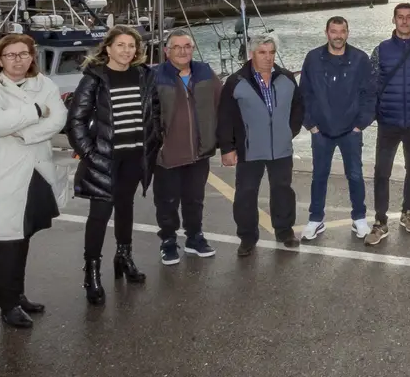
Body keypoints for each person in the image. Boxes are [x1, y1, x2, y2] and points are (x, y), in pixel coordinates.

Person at [0, 33, 67, 329]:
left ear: (32, 57)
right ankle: (7, 305)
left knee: (23, 237)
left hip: (33, 172)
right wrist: (35, 111)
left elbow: (58, 118)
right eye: (11, 55)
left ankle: (18, 295)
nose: (18, 60)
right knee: (7, 241)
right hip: (1, 175)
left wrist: (23, 131)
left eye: (24, 54)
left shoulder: (44, 84)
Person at [65, 25, 162, 307]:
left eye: (131, 46)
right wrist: (90, 155)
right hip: (104, 158)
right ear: (108, 48)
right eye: (120, 45)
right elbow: (76, 122)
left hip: (135, 155)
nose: (126, 51)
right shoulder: (94, 78)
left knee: (126, 207)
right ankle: (92, 272)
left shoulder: (145, 75)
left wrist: (155, 139)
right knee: (99, 214)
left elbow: (154, 112)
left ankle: (124, 256)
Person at [218, 35, 304, 254]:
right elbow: (225, 117)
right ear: (251, 54)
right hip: (250, 149)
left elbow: (298, 109)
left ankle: (284, 231)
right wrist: (227, 148)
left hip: (281, 149)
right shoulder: (236, 81)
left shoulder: (286, 78)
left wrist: (288, 132)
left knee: (282, 190)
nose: (268, 57)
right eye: (262, 52)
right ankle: (247, 237)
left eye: (271, 52)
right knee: (246, 193)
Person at [300, 16, 376, 241]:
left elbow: (370, 95)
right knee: (319, 175)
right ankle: (315, 219)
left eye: (342, 31)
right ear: (326, 33)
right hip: (321, 131)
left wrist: (360, 124)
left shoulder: (360, 59)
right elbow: (303, 93)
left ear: (348, 33)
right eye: (334, 31)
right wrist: (310, 125)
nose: (338, 36)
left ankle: (359, 218)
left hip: (350, 131)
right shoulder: (313, 58)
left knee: (355, 174)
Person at [152, 28, 223, 266]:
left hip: (199, 153)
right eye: (177, 47)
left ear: (192, 49)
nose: (183, 51)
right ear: (166, 51)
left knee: (195, 199)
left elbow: (222, 104)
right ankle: (169, 241)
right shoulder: (155, 76)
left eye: (187, 46)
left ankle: (194, 237)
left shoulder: (204, 72)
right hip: (167, 155)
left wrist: (225, 142)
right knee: (167, 201)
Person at [365, 3, 410, 245]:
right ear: (394, 20)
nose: (404, 21)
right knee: (382, 171)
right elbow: (372, 85)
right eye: (400, 17)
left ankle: (407, 212)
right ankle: (380, 221)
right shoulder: (381, 50)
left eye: (409, 17)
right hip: (388, 121)